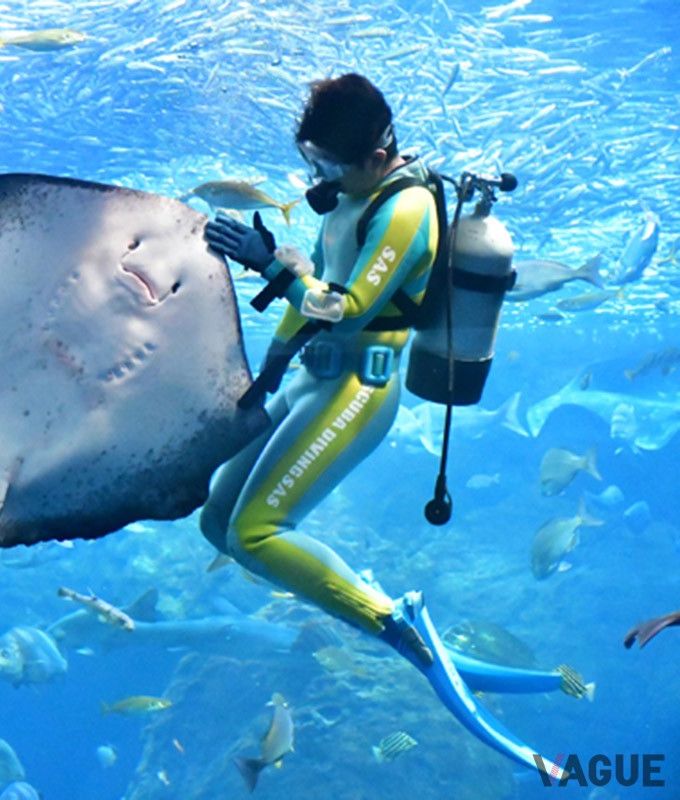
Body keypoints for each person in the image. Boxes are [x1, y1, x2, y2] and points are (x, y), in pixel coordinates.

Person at [201, 73, 570, 776]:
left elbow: (349, 305)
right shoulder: (351, 198)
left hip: (358, 388)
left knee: (255, 532)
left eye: (329, 165)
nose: (319, 178)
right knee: (218, 524)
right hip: (314, 376)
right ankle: (386, 614)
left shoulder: (403, 210)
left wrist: (272, 271)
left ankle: (398, 624)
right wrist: (268, 375)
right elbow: (311, 299)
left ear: (376, 153)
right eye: (312, 162)